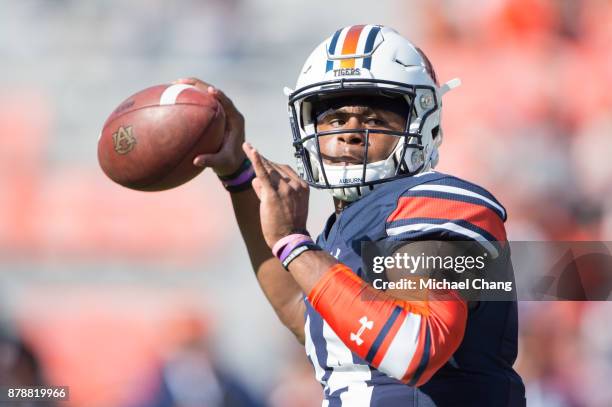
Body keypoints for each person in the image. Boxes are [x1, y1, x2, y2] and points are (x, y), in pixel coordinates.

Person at [180, 24, 525, 406]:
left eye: (374, 118)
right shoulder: (343, 230)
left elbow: (416, 348)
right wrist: (240, 175)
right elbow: (310, 313)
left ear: (421, 122)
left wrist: (295, 245)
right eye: (335, 119)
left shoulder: (444, 202)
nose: (350, 133)